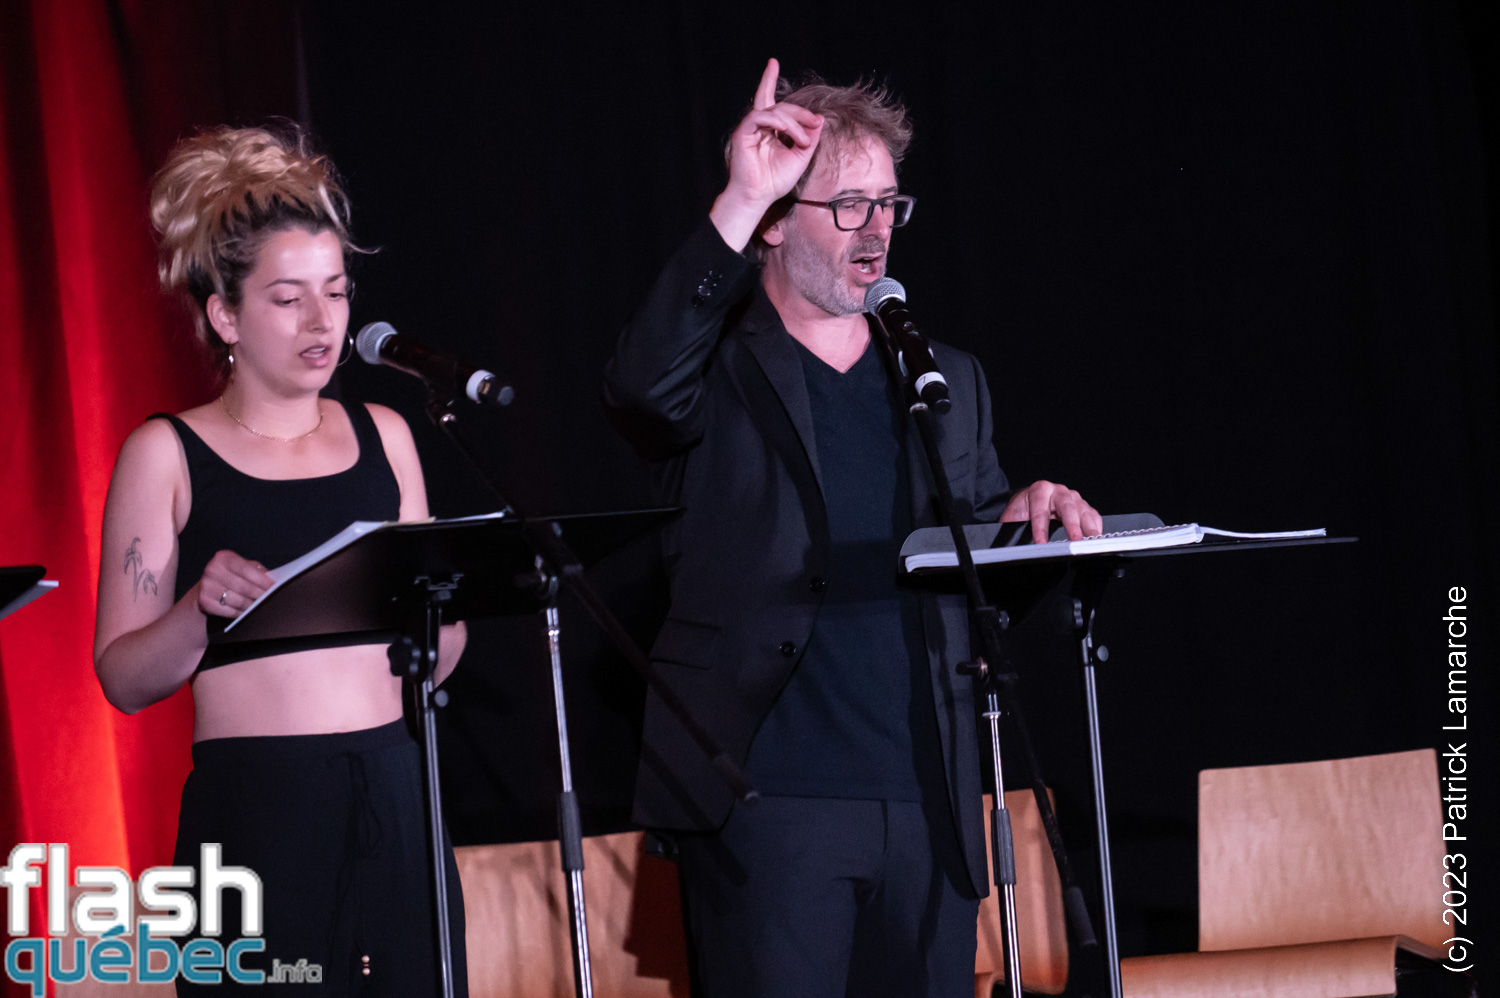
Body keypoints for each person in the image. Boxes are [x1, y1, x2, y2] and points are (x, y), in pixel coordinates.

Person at [604, 60, 1102, 996]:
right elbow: (638, 387)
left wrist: (1022, 521)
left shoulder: (943, 378)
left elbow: (974, 557)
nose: (876, 229)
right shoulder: (713, 370)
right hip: (770, 801)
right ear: (775, 225)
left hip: (928, 798)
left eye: (888, 204)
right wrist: (740, 194)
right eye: (847, 206)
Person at [93, 125, 468, 994]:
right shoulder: (166, 452)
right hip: (257, 810)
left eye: (335, 293)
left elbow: (441, 647)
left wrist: (441, 617)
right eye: (288, 298)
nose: (322, 321)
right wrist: (198, 609)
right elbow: (122, 677)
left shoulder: (388, 434)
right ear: (225, 315)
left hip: (397, 786)